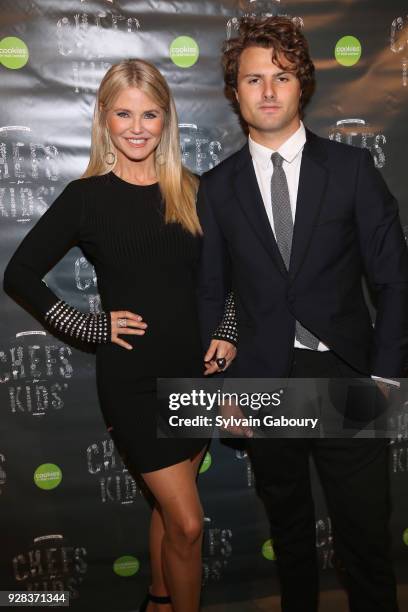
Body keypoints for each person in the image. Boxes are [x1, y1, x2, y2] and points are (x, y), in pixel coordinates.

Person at [3, 59, 237, 612]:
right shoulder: (86, 197)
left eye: (150, 113)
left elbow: (231, 280)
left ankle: (158, 599)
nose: (137, 127)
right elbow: (19, 275)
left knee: (166, 511)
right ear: (104, 118)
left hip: (194, 373)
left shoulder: (196, 191)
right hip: (131, 380)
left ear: (166, 119)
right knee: (187, 522)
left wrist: (226, 332)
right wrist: (88, 326)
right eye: (124, 113)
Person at [197, 16, 408, 612]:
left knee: (365, 539)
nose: (267, 91)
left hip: (347, 377)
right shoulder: (215, 189)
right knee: (289, 539)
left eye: (281, 77)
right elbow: (214, 296)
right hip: (262, 383)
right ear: (235, 91)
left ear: (301, 85)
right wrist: (227, 390)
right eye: (253, 79)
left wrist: (387, 377)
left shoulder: (351, 171)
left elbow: (394, 280)